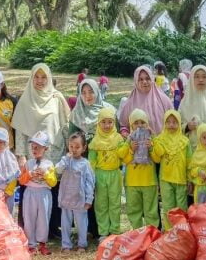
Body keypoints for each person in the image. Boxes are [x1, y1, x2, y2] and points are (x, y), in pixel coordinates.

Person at [12, 63, 70, 163]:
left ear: (49, 78)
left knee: (53, 178)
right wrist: (21, 156)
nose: (40, 80)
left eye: (43, 77)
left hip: (55, 153)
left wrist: (70, 147)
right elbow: (20, 131)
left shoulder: (56, 98)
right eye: (36, 77)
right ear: (31, 78)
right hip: (33, 154)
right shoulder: (25, 101)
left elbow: (64, 124)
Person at [88, 107, 127, 239]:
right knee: (101, 204)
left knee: (115, 203)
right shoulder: (95, 141)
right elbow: (91, 162)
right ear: (98, 123)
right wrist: (91, 177)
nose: (106, 125)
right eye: (103, 122)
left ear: (114, 123)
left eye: (110, 122)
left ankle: (115, 230)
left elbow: (123, 156)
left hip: (115, 174)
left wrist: (127, 145)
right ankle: (103, 232)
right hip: (100, 175)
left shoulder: (118, 138)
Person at [19, 130, 57, 255]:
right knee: (29, 218)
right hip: (30, 193)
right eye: (33, 147)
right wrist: (30, 174)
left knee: (43, 218)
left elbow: (53, 182)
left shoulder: (49, 164)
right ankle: (31, 244)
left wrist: (45, 174)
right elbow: (22, 181)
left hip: (43, 194)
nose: (34, 150)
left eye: (38, 147)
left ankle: (42, 243)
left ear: (45, 148)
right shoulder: (28, 164)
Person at [56, 132, 95, 252]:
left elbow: (90, 182)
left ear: (84, 148)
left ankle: (82, 244)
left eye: (77, 147)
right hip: (66, 198)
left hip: (80, 199)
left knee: (82, 222)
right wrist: (66, 158)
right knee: (65, 223)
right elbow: (57, 170)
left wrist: (89, 199)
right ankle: (66, 244)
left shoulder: (85, 164)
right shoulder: (65, 160)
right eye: (71, 146)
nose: (74, 150)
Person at [152, 109, 189, 228]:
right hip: (165, 179)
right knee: (168, 206)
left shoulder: (185, 141)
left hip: (181, 179)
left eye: (175, 122)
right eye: (168, 122)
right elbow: (157, 159)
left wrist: (190, 179)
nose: (171, 125)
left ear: (179, 124)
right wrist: (154, 143)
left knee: (181, 207)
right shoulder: (159, 139)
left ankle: (181, 230)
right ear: (164, 123)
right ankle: (169, 231)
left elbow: (189, 161)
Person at [123, 109, 158, 229]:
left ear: (147, 124)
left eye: (142, 122)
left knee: (151, 211)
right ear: (131, 125)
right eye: (136, 123)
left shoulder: (152, 139)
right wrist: (131, 149)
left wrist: (152, 148)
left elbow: (158, 159)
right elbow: (124, 160)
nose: (139, 125)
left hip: (149, 181)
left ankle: (151, 233)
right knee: (134, 210)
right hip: (132, 182)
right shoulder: (129, 140)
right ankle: (136, 233)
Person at [70, 78, 111, 144]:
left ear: (97, 91)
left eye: (91, 92)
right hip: (83, 152)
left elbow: (116, 134)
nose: (87, 96)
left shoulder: (109, 110)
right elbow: (71, 139)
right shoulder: (76, 113)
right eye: (83, 93)